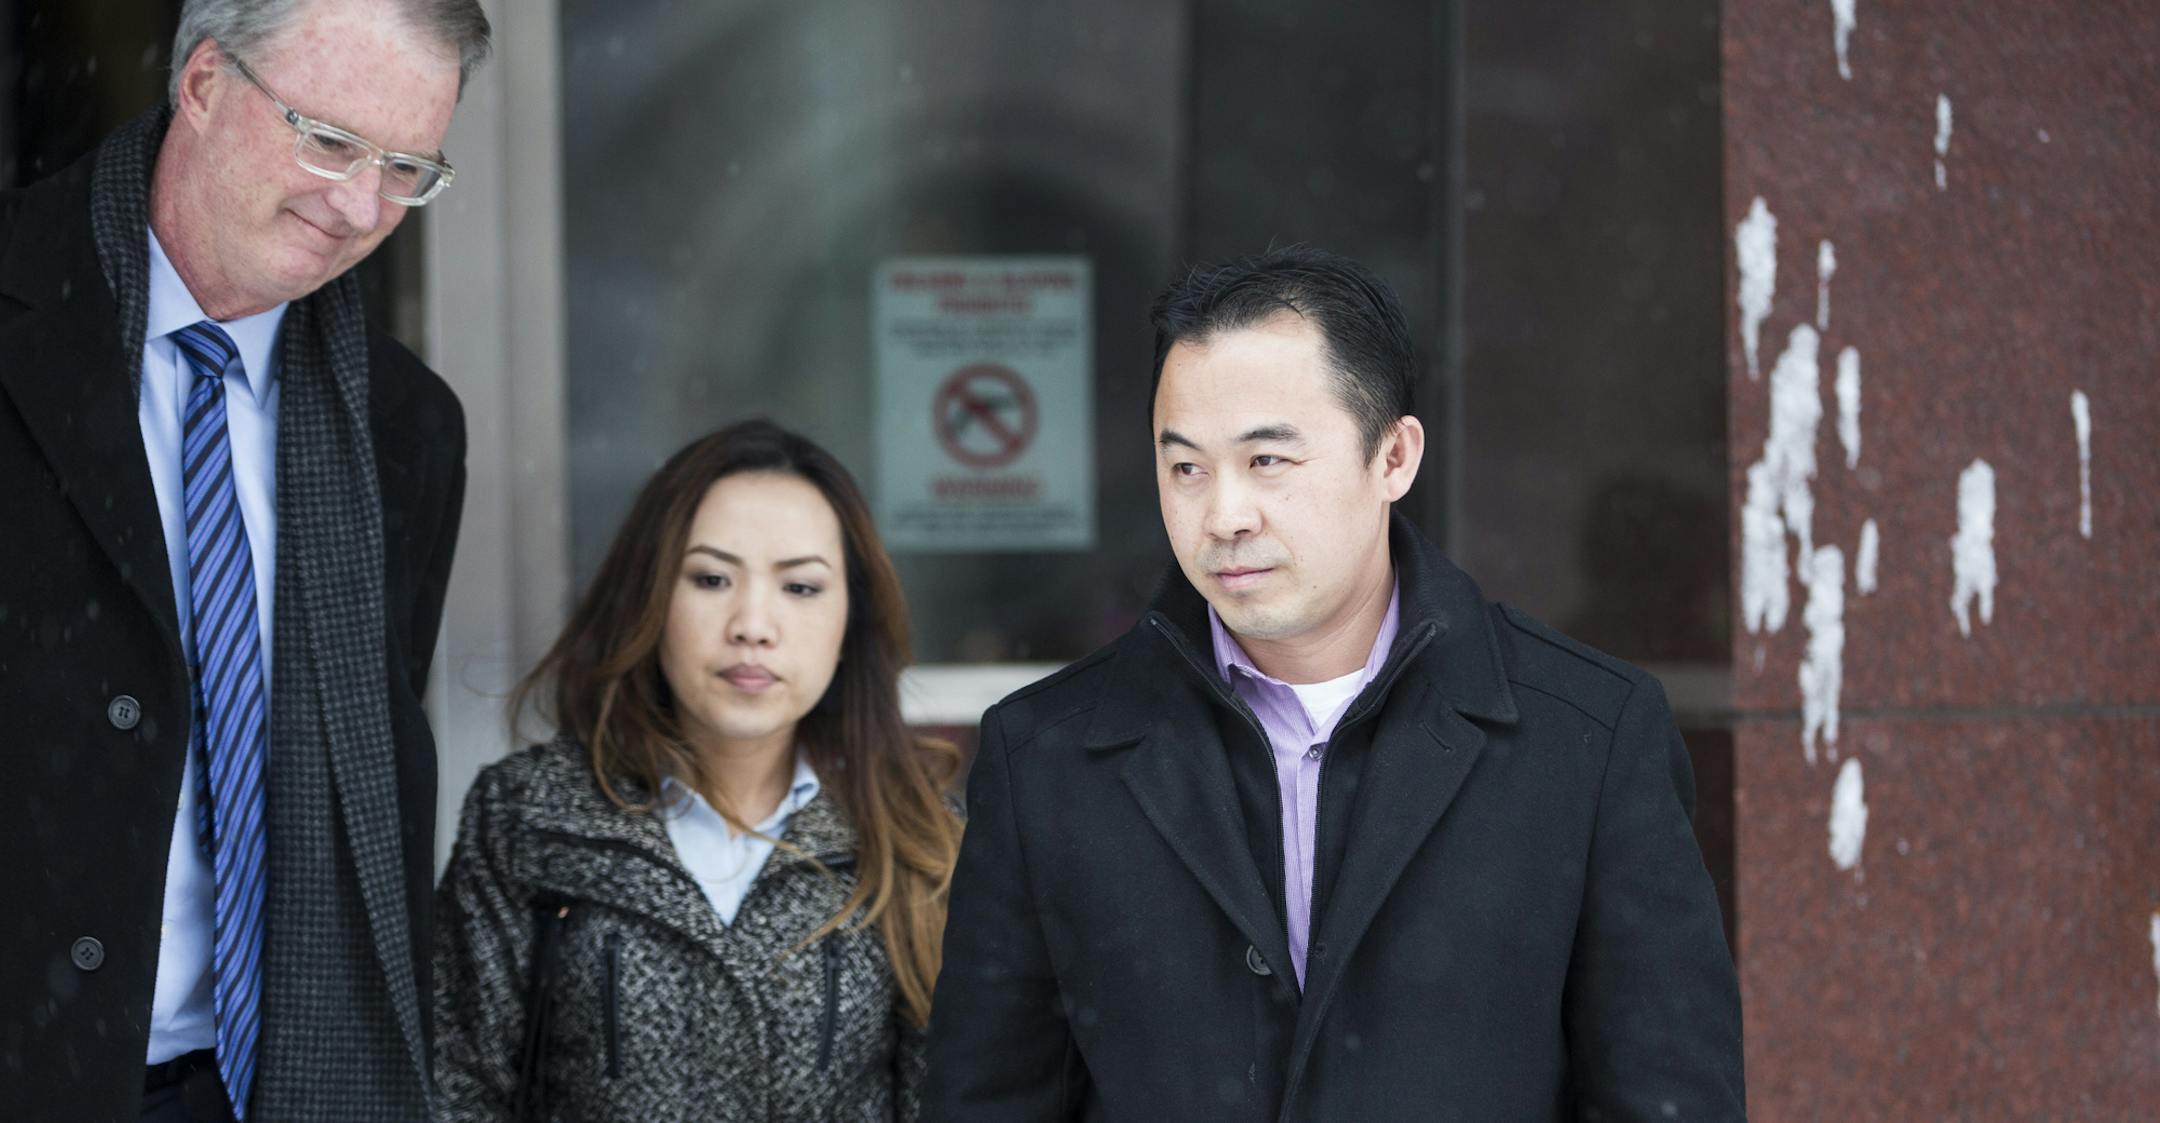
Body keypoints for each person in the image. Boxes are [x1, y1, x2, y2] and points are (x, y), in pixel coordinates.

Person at [923, 247, 1746, 1120]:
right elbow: (990, 1099)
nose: (1224, 514)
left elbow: (1669, 1096)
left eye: (1268, 461)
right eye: (1186, 468)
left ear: (1393, 456)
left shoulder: (1584, 737)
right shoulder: (1047, 754)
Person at [0, 0, 490, 1118]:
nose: (361, 206)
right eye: (328, 141)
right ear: (206, 84)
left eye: (408, 166)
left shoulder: (407, 430)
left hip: (264, 1088)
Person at [434, 419, 964, 1122]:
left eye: (800, 587)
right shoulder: (526, 815)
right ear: (651, 598)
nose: (752, 623)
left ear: (850, 622)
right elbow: (455, 1091)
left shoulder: (918, 834)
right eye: (712, 578)